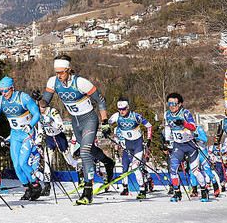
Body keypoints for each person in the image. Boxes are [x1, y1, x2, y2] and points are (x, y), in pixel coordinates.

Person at [40, 54, 115, 205]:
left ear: (69, 70)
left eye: (61, 72)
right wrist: (39, 100)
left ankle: (87, 191)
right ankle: (108, 162)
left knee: (85, 152)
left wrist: (105, 121)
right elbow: (45, 102)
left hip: (89, 119)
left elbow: (100, 99)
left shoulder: (80, 83)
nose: (58, 75)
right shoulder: (53, 81)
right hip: (75, 121)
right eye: (56, 72)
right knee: (89, 148)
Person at [0, 76, 43, 201]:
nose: (4, 93)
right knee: (16, 166)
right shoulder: (0, 100)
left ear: (12, 88)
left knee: (23, 163)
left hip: (27, 134)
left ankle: (35, 184)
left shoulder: (23, 97)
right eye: (1, 91)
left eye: (6, 90)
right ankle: (27, 189)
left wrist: (30, 125)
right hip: (15, 135)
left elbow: (36, 113)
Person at [30, 89, 80, 196]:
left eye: (43, 107)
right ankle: (47, 186)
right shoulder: (38, 114)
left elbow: (61, 127)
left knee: (69, 160)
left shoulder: (53, 112)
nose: (41, 109)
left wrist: (51, 122)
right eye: (40, 107)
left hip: (59, 137)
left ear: (46, 106)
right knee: (48, 162)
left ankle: (80, 171)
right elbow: (39, 129)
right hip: (49, 139)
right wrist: (38, 141)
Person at [163, 92, 209, 202]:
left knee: (195, 171)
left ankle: (204, 190)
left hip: (190, 145)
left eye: (174, 103)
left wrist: (183, 123)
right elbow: (168, 128)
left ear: (180, 104)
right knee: (173, 170)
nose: (171, 106)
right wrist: (167, 141)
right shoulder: (167, 114)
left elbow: (193, 127)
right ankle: (176, 192)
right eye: (169, 103)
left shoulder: (186, 113)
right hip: (178, 146)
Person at [106, 99, 152, 199]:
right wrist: (105, 128)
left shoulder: (135, 116)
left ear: (127, 108)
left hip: (138, 145)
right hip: (128, 146)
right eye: (119, 109)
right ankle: (126, 187)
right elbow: (107, 122)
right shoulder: (116, 116)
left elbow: (149, 126)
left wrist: (149, 139)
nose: (121, 111)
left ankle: (142, 189)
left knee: (135, 167)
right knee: (125, 167)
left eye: (123, 109)